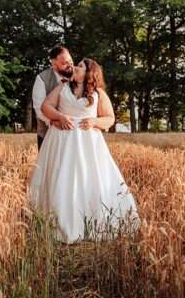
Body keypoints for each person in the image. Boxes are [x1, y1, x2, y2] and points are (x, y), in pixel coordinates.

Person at [29, 58, 139, 243]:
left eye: (80, 66)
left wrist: (95, 121)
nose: (75, 67)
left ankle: (91, 223)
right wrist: (60, 116)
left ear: (89, 73)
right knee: (61, 178)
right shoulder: (62, 87)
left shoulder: (98, 94)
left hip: (88, 142)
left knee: (89, 179)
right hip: (61, 140)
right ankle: (59, 223)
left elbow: (110, 118)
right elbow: (45, 107)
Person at [32, 45, 74, 150]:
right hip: (47, 133)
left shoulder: (78, 75)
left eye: (71, 61)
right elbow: (39, 108)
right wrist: (53, 122)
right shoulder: (42, 79)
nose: (70, 65)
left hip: (74, 134)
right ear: (54, 65)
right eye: (65, 63)